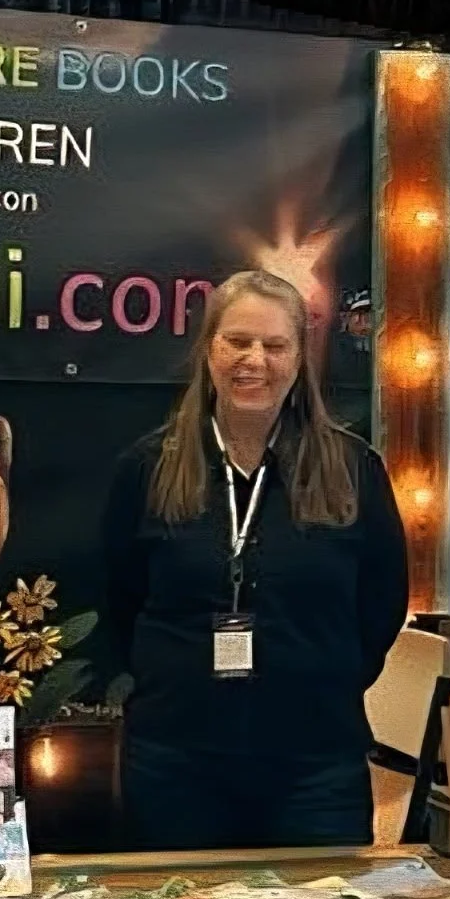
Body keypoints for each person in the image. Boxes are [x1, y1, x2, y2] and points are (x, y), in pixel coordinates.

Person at [101, 269, 410, 849]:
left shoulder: (352, 470)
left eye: (274, 346)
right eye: (237, 341)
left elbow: (381, 605)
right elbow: (121, 600)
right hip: (176, 763)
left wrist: (322, 680)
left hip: (316, 765)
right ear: (208, 349)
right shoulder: (147, 469)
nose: (255, 361)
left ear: (300, 359)